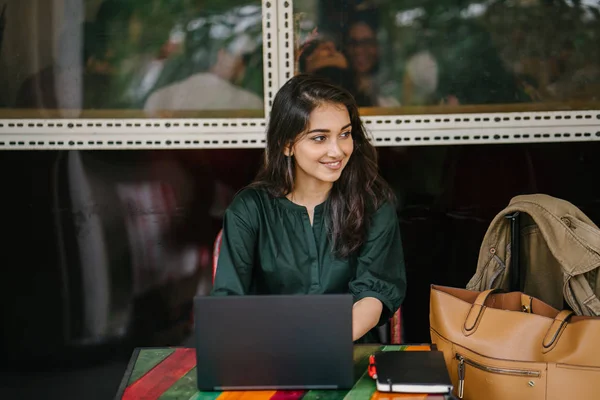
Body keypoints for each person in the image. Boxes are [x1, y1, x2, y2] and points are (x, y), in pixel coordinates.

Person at [211, 74, 406, 342]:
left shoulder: (373, 204)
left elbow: (374, 294)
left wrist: (324, 343)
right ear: (287, 145)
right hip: (268, 353)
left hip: (349, 351)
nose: (337, 151)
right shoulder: (250, 209)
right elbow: (228, 302)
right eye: (319, 138)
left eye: (345, 134)